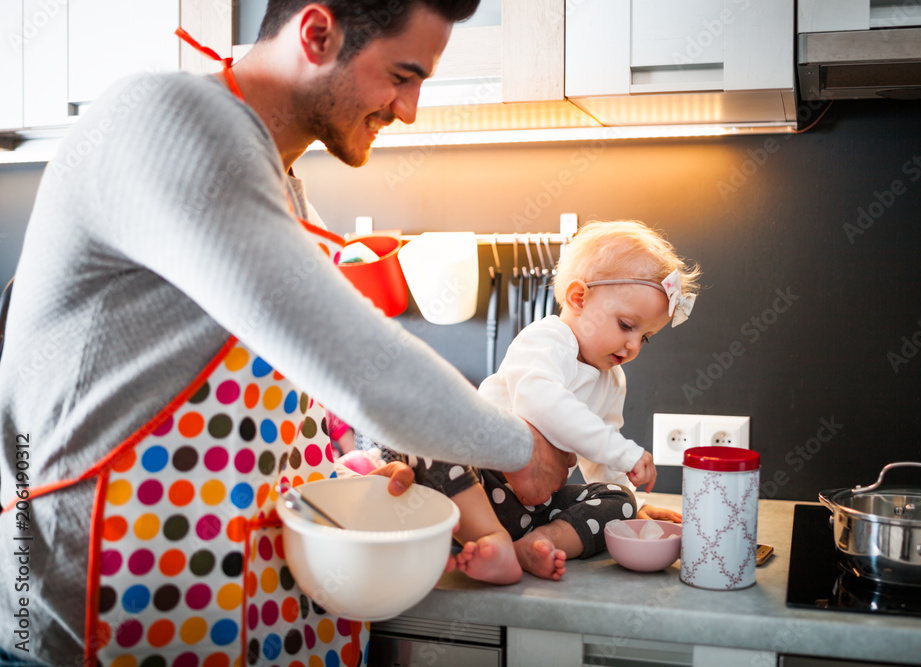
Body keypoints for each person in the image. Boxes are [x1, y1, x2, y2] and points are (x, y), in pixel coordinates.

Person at [0, 2, 576, 665]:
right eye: (402, 75)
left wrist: (343, 470)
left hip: (223, 619)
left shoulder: (281, 180)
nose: (410, 108)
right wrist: (517, 448)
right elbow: (365, 367)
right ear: (317, 32)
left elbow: (258, 402)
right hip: (89, 631)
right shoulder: (164, 122)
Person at [368, 220, 699, 584]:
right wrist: (624, 451)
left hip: (533, 508)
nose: (634, 345)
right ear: (578, 298)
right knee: (432, 433)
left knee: (616, 499)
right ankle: (487, 537)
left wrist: (635, 505)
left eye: (646, 337)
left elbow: (600, 456)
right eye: (626, 325)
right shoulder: (547, 339)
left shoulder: (612, 380)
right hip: (475, 482)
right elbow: (542, 401)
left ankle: (538, 543)